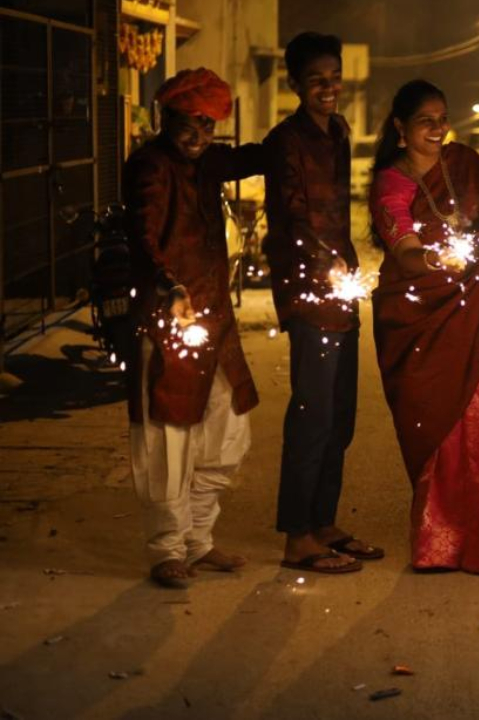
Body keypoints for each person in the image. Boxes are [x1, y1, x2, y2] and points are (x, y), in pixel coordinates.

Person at [370, 80, 479, 574]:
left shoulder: (464, 163)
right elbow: (407, 254)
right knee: (436, 420)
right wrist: (441, 260)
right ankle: (441, 540)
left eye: (442, 118)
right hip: (423, 318)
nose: (438, 129)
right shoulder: (390, 183)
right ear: (400, 127)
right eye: (425, 121)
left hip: (475, 312)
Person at [123, 68, 263, 588]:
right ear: (167, 118)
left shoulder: (207, 165)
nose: (200, 136)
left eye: (208, 126)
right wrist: (169, 287)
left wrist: (311, 121)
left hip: (216, 322)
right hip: (168, 320)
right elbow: (143, 232)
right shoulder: (150, 167)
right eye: (191, 124)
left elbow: (256, 156)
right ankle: (167, 551)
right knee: (167, 438)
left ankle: (199, 541)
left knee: (226, 433)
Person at [263, 32, 381, 575]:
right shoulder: (285, 141)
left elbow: (338, 212)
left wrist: (347, 266)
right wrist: (321, 263)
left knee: (340, 414)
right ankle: (297, 537)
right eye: (316, 80)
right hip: (308, 291)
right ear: (295, 85)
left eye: (333, 77)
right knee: (311, 413)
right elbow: (290, 218)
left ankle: (324, 521)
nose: (328, 88)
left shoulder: (338, 132)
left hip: (342, 286)